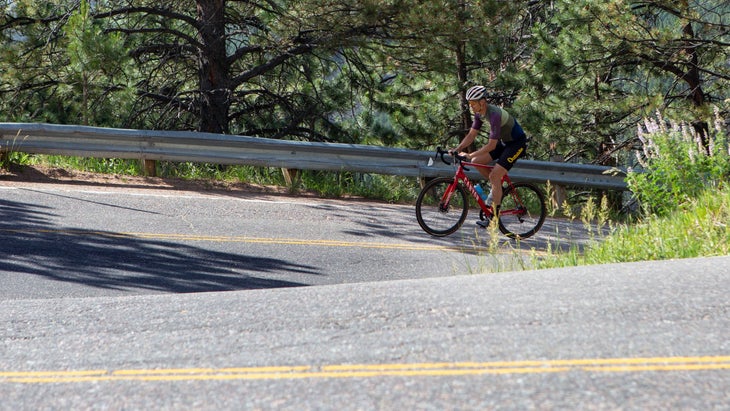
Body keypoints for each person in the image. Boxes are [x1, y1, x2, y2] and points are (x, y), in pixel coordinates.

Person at [450, 85, 527, 228]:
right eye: (470, 104)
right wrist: (457, 149)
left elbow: (491, 145)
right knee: (476, 161)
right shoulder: (479, 114)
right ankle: (498, 189)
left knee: (493, 175)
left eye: (473, 103)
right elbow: (472, 135)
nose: (471, 106)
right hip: (505, 143)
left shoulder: (494, 115)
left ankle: (494, 217)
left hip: (517, 144)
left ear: (482, 102)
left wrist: (469, 154)